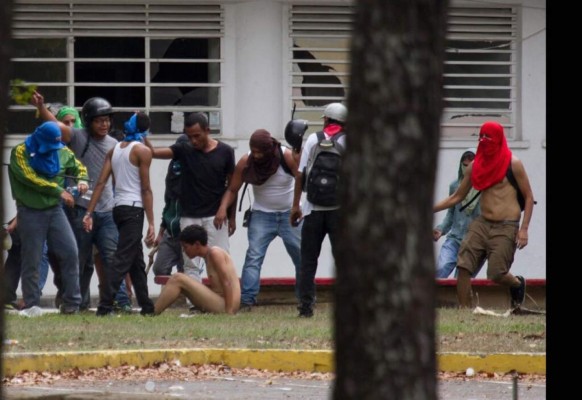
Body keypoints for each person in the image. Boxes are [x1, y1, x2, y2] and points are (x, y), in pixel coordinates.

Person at [30, 91, 132, 311]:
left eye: (107, 120)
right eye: (99, 120)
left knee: (112, 258)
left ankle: (120, 302)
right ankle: (79, 303)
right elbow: (56, 126)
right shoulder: (77, 137)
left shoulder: (114, 143)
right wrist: (41, 107)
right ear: (88, 121)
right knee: (80, 260)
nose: (104, 125)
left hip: (106, 210)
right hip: (80, 209)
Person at [433, 121, 534, 309]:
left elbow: (528, 197)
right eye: (482, 136)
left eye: (489, 137)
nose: (484, 140)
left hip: (506, 225)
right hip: (482, 223)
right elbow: (456, 198)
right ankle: (465, 310)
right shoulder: (475, 166)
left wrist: (524, 229)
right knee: (463, 266)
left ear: (498, 139)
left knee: (496, 273)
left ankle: (517, 284)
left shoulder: (513, 164)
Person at [215, 129, 302, 311]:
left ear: (269, 149)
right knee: (254, 256)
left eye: (260, 152)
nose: (256, 155)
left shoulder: (285, 156)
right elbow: (233, 189)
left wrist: (296, 206)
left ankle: (305, 298)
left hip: (288, 213)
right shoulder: (247, 161)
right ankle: (247, 300)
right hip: (262, 214)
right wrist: (223, 208)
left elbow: (300, 178)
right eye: (253, 151)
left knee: (300, 256)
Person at [144, 112, 236, 282]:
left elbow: (232, 187)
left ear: (207, 130)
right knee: (190, 264)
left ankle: (224, 300)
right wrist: (141, 132)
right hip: (188, 217)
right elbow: (153, 153)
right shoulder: (184, 150)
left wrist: (228, 214)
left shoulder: (226, 152)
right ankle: (195, 305)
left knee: (220, 258)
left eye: (197, 136)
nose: (194, 141)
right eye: (190, 137)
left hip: (215, 216)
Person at [8, 121, 89, 313]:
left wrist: (83, 180)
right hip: (30, 210)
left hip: (54, 211)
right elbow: (30, 178)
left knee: (70, 252)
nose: (53, 149)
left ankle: (72, 304)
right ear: (39, 138)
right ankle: (31, 304)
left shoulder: (62, 150)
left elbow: (79, 167)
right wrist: (58, 190)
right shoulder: (20, 152)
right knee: (32, 258)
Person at [83, 112, 156, 316]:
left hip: (118, 208)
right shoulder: (142, 151)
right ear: (145, 131)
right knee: (123, 259)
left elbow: (100, 183)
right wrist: (151, 222)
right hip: (134, 209)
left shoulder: (114, 149)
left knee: (136, 261)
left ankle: (146, 306)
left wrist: (89, 212)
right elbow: (146, 189)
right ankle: (105, 306)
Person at [290, 102, 347, 318]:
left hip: (312, 209)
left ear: (326, 119)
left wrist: (296, 206)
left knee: (308, 260)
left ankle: (306, 307)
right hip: (339, 211)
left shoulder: (313, 139)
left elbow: (300, 175)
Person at [154, 224, 241, 315]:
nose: (183, 251)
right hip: (221, 301)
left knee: (177, 278)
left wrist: (230, 311)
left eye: (185, 247)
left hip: (226, 305)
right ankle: (153, 310)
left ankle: (152, 312)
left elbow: (227, 282)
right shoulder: (208, 256)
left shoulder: (215, 253)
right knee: (181, 281)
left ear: (197, 245)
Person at [433, 148, 482, 278]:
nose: (467, 169)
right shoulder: (455, 186)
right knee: (441, 269)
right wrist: (441, 229)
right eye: (464, 165)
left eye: (471, 165)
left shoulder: (486, 187)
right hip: (455, 238)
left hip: (474, 243)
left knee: (462, 280)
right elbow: (451, 212)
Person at [152, 134, 189, 277]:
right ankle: (172, 296)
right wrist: (161, 233)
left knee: (187, 271)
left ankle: (185, 298)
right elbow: (167, 205)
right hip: (170, 233)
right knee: (160, 269)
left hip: (187, 234)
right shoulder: (172, 175)